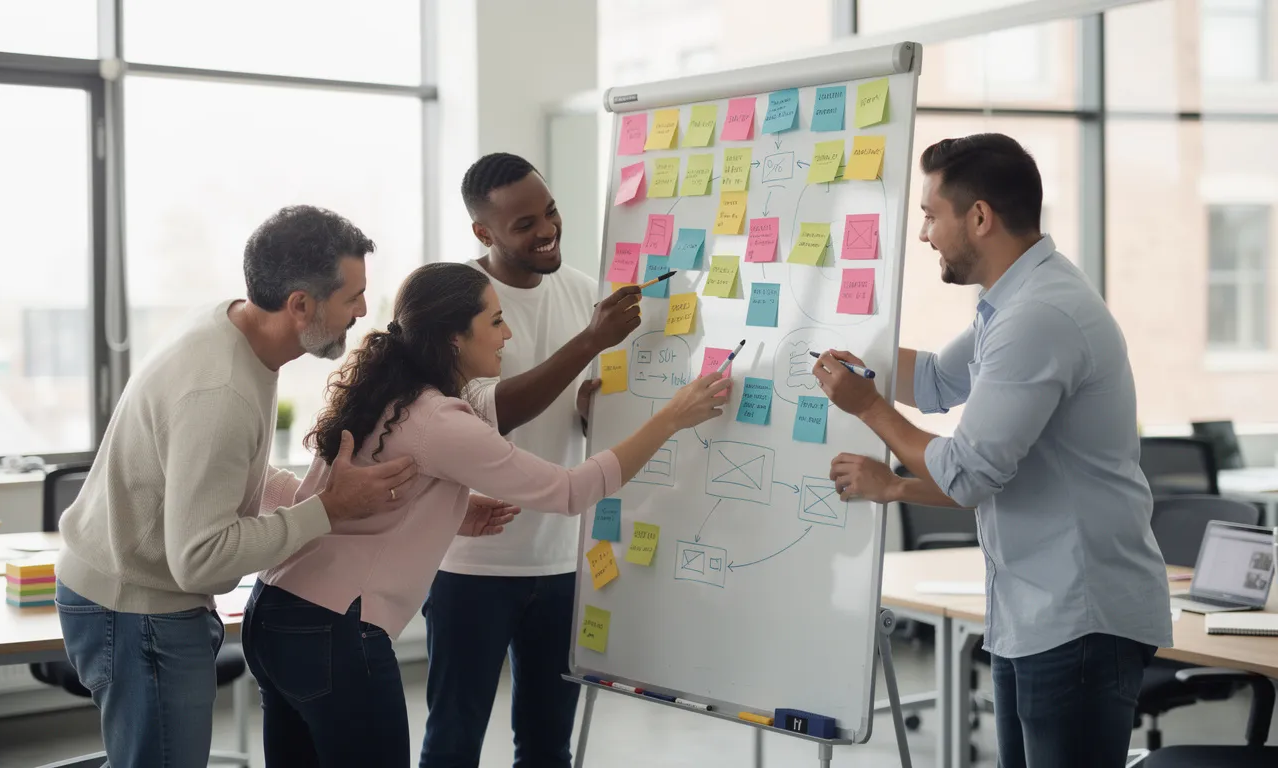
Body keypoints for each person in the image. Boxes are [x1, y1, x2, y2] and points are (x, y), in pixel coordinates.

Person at [241, 262, 728, 767]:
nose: (508, 333)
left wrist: (452, 512)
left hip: (275, 612)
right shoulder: (437, 419)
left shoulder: (384, 392)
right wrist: (671, 418)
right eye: (495, 321)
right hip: (333, 630)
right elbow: (568, 491)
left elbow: (367, 498)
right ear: (454, 337)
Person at [814, 134, 1171, 768]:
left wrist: (867, 407)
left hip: (1079, 615)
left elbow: (967, 473)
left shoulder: (1039, 316)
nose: (924, 235)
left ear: (979, 217)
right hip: (1035, 610)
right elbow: (934, 382)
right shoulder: (1008, 304)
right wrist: (838, 344)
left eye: (930, 215)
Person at [54, 205, 419, 768]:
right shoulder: (220, 391)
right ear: (300, 304)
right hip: (135, 605)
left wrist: (310, 499)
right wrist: (324, 511)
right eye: (351, 296)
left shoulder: (236, 330)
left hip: (131, 592)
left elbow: (226, 477)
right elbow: (201, 562)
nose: (363, 311)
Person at [421, 152, 643, 768]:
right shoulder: (452, 300)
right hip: (471, 563)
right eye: (524, 225)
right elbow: (487, 414)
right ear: (483, 233)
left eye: (550, 212)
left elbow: (574, 405)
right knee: (453, 741)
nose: (546, 230)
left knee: (548, 746)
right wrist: (590, 342)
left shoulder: (583, 294)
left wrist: (595, 411)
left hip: (561, 558)